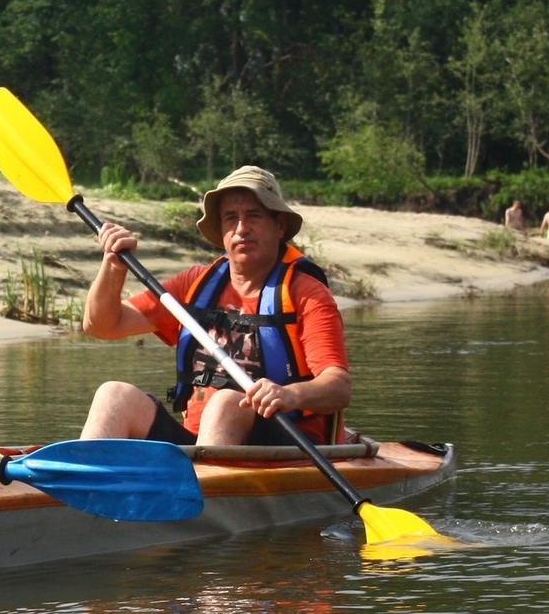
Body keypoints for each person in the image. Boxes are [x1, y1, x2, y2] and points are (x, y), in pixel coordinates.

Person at [75, 166, 350, 446]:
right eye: (231, 218)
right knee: (114, 395)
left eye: (254, 216)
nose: (241, 229)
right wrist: (113, 267)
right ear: (222, 231)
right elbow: (101, 326)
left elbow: (338, 387)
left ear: (279, 226)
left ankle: (201, 486)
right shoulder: (195, 284)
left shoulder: (307, 294)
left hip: (286, 442)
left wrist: (291, 395)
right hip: (199, 444)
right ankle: (81, 484)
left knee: (226, 403)